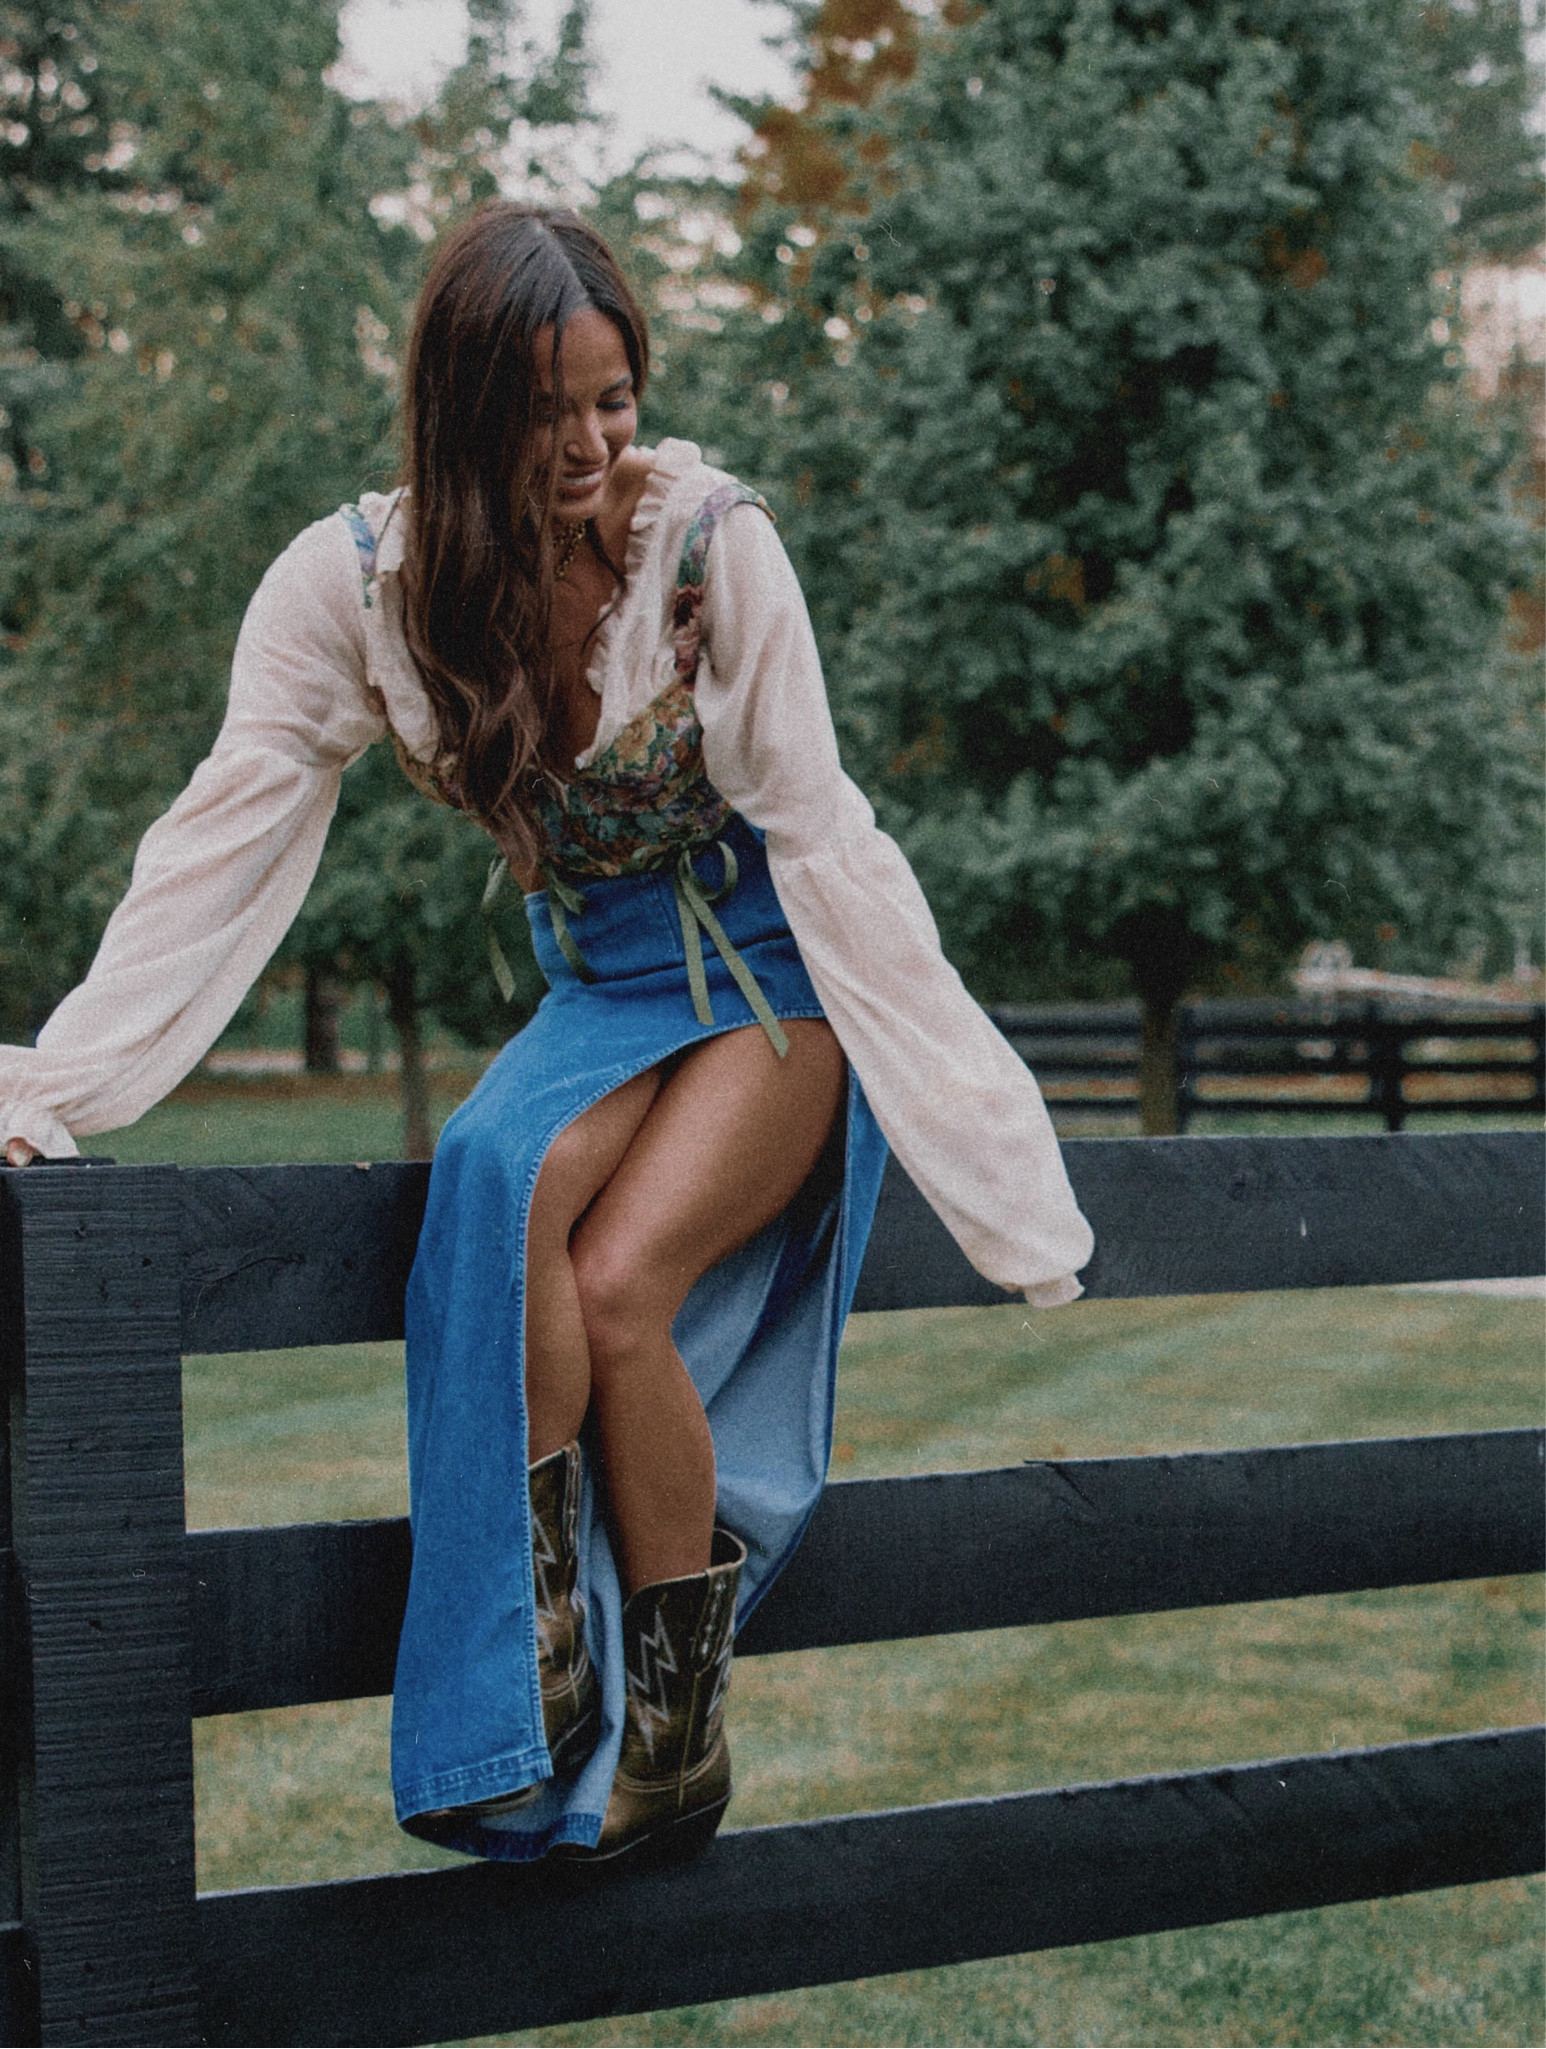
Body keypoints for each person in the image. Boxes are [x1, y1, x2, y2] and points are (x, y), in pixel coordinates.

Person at [0, 202, 1094, 1866]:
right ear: (457, 409)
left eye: (613, 398)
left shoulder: (709, 551)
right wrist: (58, 1078)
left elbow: (827, 840)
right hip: (600, 991)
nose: (587, 442)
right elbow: (220, 839)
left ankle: (677, 1711)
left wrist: (995, 1161)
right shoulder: (354, 585)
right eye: (543, 405)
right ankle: (531, 1659)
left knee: (614, 1284)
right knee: (493, 1187)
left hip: (769, 981)